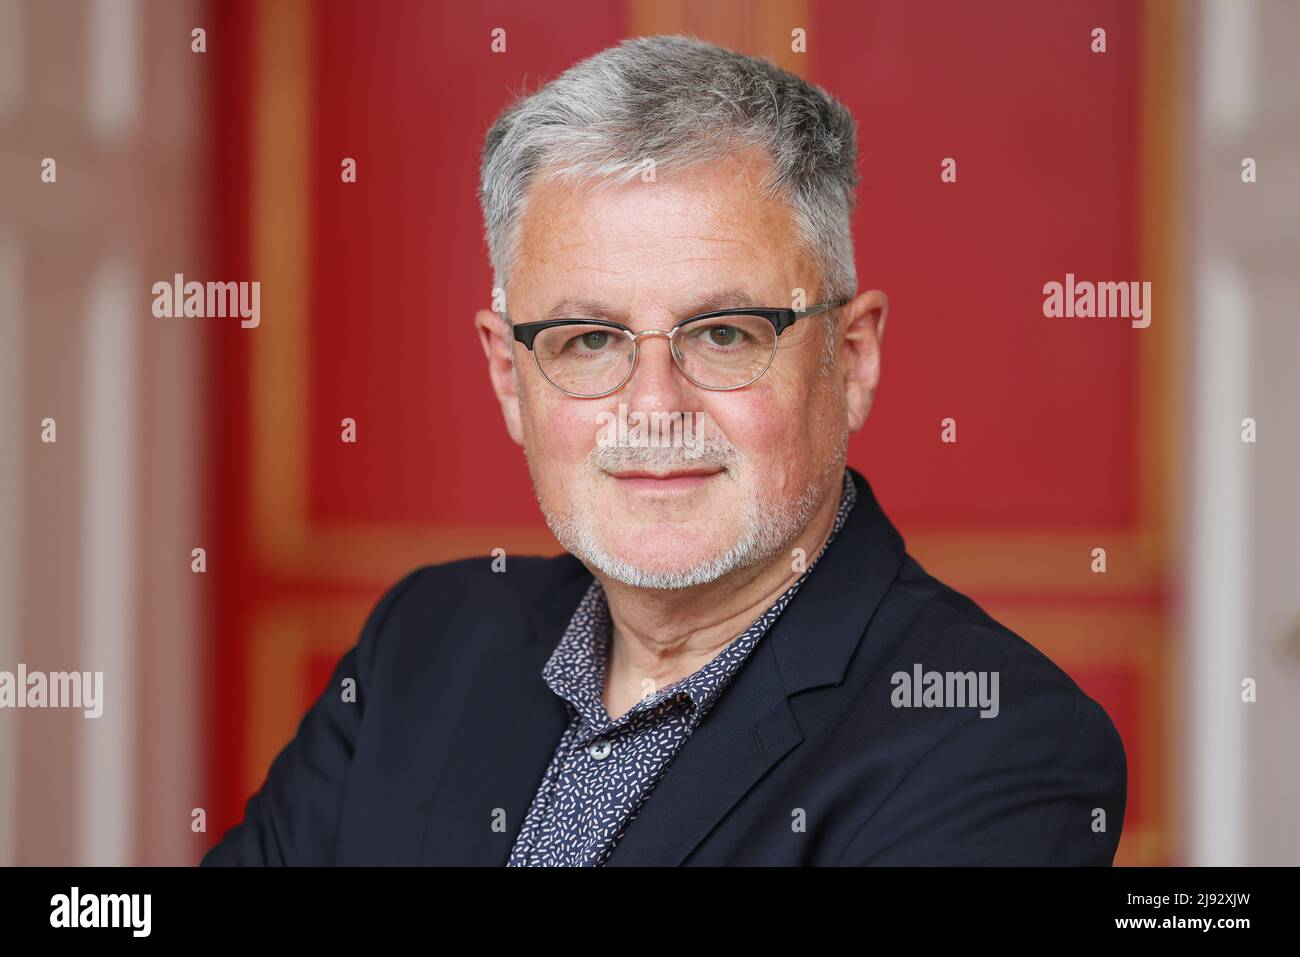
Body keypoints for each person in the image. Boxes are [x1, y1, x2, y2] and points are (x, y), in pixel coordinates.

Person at [202, 34, 1125, 867]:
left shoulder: (991, 738)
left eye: (724, 333)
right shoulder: (425, 643)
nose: (653, 407)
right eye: (588, 339)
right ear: (505, 375)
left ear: (851, 358)